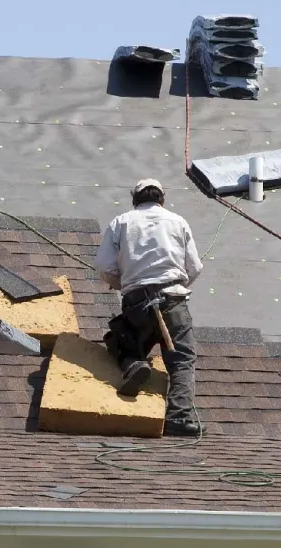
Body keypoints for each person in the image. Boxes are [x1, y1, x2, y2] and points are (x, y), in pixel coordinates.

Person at [95, 178, 204, 436]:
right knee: (181, 358)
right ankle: (179, 417)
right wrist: (174, 284)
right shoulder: (178, 222)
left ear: (135, 200)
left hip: (137, 302)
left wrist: (125, 284)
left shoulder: (121, 222)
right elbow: (195, 268)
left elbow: (104, 266)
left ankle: (134, 364)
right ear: (161, 200)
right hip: (173, 299)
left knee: (123, 344)